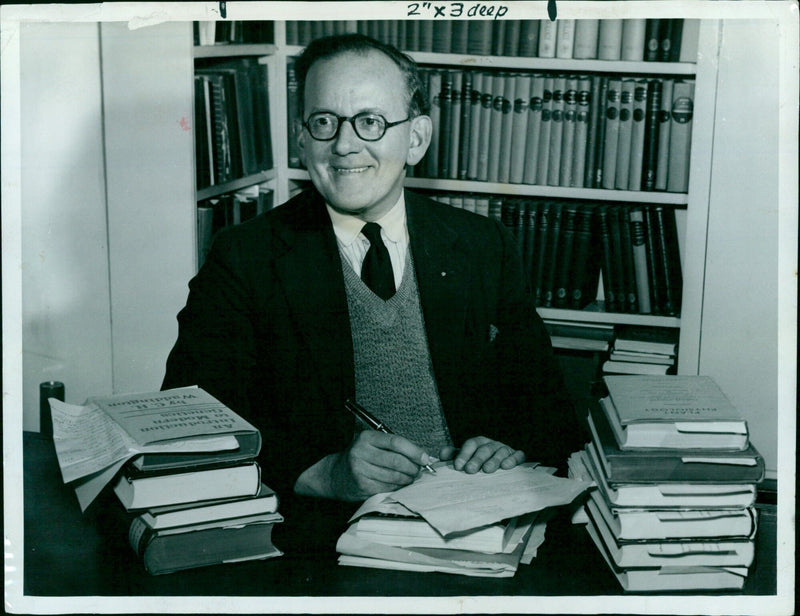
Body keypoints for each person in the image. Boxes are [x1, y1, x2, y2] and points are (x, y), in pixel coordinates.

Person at [162, 34, 584, 540]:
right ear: (302, 141)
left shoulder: (481, 245)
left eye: (371, 121)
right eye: (324, 122)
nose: (344, 145)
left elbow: (547, 404)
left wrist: (508, 443)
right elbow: (191, 420)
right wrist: (322, 472)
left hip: (479, 520)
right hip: (326, 535)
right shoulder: (245, 256)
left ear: (416, 139)